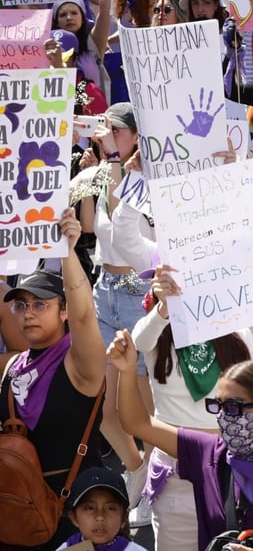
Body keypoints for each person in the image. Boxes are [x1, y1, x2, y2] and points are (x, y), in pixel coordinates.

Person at [111, 336, 253, 551]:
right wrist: (127, 368)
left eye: (233, 408)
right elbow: (138, 424)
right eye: (219, 406)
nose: (223, 417)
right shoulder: (208, 454)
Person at [130, 264, 253, 549]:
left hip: (228, 475)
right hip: (175, 476)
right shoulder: (158, 331)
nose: (167, 284)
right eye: (158, 279)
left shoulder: (237, 330)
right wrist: (164, 309)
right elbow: (139, 341)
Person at [0, 209, 107, 550]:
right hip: (17, 520)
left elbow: (85, 314)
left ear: (63, 311)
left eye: (40, 304)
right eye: (21, 305)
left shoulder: (79, 364)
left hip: (74, 521)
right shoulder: (12, 367)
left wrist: (68, 251)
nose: (28, 312)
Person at [73, 103, 152, 524]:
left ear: (136, 136)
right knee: (104, 408)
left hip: (140, 293)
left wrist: (115, 163)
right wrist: (89, 179)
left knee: (144, 404)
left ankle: (156, 480)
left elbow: (128, 209)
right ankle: (137, 471)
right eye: (106, 132)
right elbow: (90, 226)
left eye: (116, 131)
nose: (108, 138)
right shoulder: (107, 174)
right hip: (105, 289)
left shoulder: (145, 176)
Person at [56, 467, 148, 551]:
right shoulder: (66, 548)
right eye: (89, 508)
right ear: (74, 518)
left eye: (110, 508)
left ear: (124, 517)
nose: (100, 517)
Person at [51, 0, 110, 91]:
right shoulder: (50, 49)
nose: (69, 18)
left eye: (74, 13)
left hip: (93, 104)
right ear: (57, 23)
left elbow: (104, 12)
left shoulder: (93, 44)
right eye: (63, 15)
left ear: (83, 19)